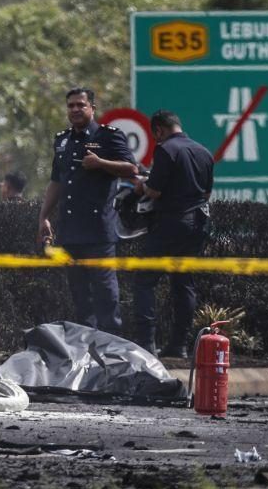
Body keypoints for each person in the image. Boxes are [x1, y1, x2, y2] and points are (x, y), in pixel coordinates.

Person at [37, 87, 138, 335]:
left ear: (92, 107)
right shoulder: (62, 140)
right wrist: (44, 217)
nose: (75, 110)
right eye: (71, 105)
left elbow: (131, 169)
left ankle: (112, 344)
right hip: (70, 231)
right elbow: (56, 182)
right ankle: (87, 346)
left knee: (105, 292)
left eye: (80, 105)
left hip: (98, 231)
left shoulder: (108, 136)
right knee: (80, 293)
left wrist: (101, 163)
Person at [131, 110, 214, 359]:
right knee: (183, 283)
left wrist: (140, 186)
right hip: (198, 224)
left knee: (144, 280)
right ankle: (179, 345)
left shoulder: (166, 149)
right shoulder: (204, 152)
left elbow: (154, 191)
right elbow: (207, 194)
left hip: (171, 224)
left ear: (159, 130)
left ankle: (146, 345)